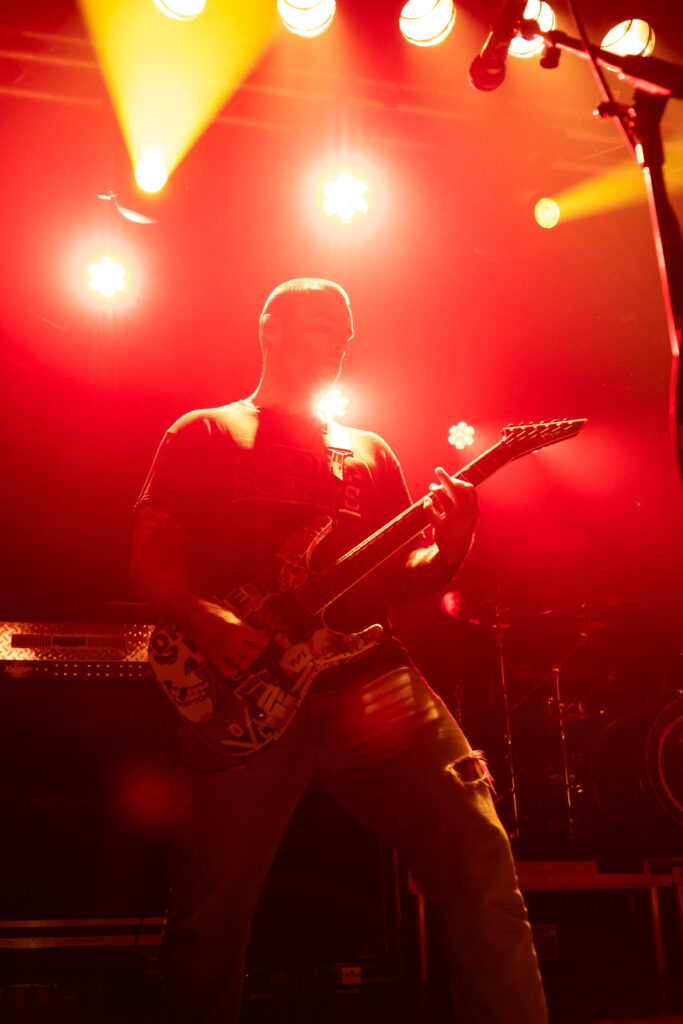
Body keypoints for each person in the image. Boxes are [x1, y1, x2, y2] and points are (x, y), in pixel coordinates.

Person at [131, 278, 548, 1024]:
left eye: (347, 330)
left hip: (370, 682)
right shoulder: (204, 432)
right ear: (270, 329)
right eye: (325, 324)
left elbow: (397, 580)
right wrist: (205, 618)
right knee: (206, 919)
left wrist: (452, 548)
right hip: (245, 691)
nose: (341, 341)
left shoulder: (365, 451)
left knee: (481, 864)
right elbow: (151, 552)